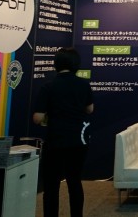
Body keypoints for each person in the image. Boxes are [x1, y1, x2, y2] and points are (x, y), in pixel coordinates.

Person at [33, 47, 94, 217]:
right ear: (76, 64)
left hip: (56, 140)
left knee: (51, 185)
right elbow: (90, 109)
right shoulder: (84, 84)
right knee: (74, 181)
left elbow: (37, 118)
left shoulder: (48, 87)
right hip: (79, 140)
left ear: (56, 64)